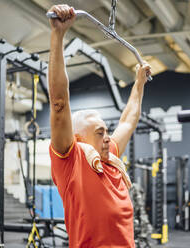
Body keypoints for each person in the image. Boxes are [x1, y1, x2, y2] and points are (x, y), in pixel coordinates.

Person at [48, 4, 152, 247]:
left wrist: (138, 84)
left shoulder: (110, 158)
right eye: (100, 132)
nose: (108, 137)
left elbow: (128, 120)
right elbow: (59, 103)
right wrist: (58, 35)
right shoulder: (71, 161)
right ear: (79, 139)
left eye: (106, 131)